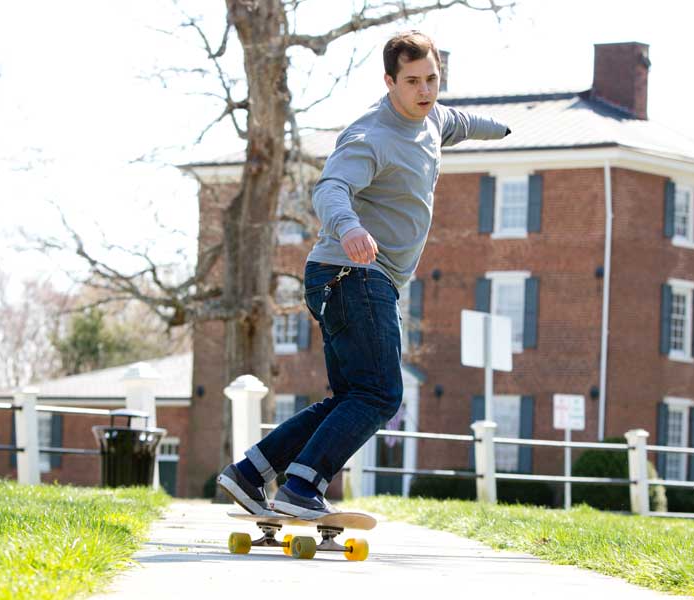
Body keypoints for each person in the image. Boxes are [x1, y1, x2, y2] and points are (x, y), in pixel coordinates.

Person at [217, 30, 511, 519]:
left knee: (352, 396)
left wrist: (502, 130)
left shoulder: (433, 116)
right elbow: (330, 188)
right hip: (351, 271)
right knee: (380, 394)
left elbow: (461, 122)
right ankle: (303, 486)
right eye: (412, 81)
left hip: (359, 278)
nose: (424, 91)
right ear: (389, 81)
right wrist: (349, 225)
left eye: (432, 80)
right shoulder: (369, 135)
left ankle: (251, 473)